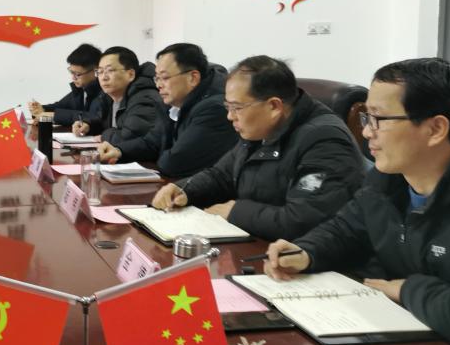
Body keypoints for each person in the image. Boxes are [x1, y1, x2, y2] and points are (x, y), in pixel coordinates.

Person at [265, 58, 450, 345]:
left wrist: (406, 289)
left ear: (436, 129)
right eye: (366, 118)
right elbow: (347, 228)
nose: (367, 132)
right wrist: (307, 252)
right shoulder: (389, 178)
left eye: (379, 119)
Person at [152, 55, 364, 241]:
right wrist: (185, 190)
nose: (230, 116)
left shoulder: (325, 141)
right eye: (228, 107)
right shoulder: (259, 129)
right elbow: (222, 175)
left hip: (299, 260)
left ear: (274, 106)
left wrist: (235, 212)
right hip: (257, 241)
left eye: (237, 108)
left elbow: (304, 220)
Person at [153, 43, 237, 178]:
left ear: (193, 78)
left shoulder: (214, 109)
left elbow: (174, 163)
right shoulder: (176, 104)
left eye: (165, 78)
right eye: (157, 78)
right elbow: (153, 142)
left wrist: (161, 153)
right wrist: (120, 150)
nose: (158, 85)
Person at [74, 46, 162, 163]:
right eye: (100, 71)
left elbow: (128, 139)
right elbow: (101, 120)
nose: (104, 77)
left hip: (143, 166)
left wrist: (104, 135)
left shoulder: (144, 98)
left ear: (130, 74)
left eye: (110, 70)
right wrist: (88, 125)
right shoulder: (109, 95)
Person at [27, 43, 103, 125]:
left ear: (96, 71)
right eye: (71, 72)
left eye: (77, 74)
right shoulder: (81, 90)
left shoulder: (105, 92)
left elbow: (94, 117)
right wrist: (41, 109)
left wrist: (53, 115)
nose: (73, 78)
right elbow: (60, 106)